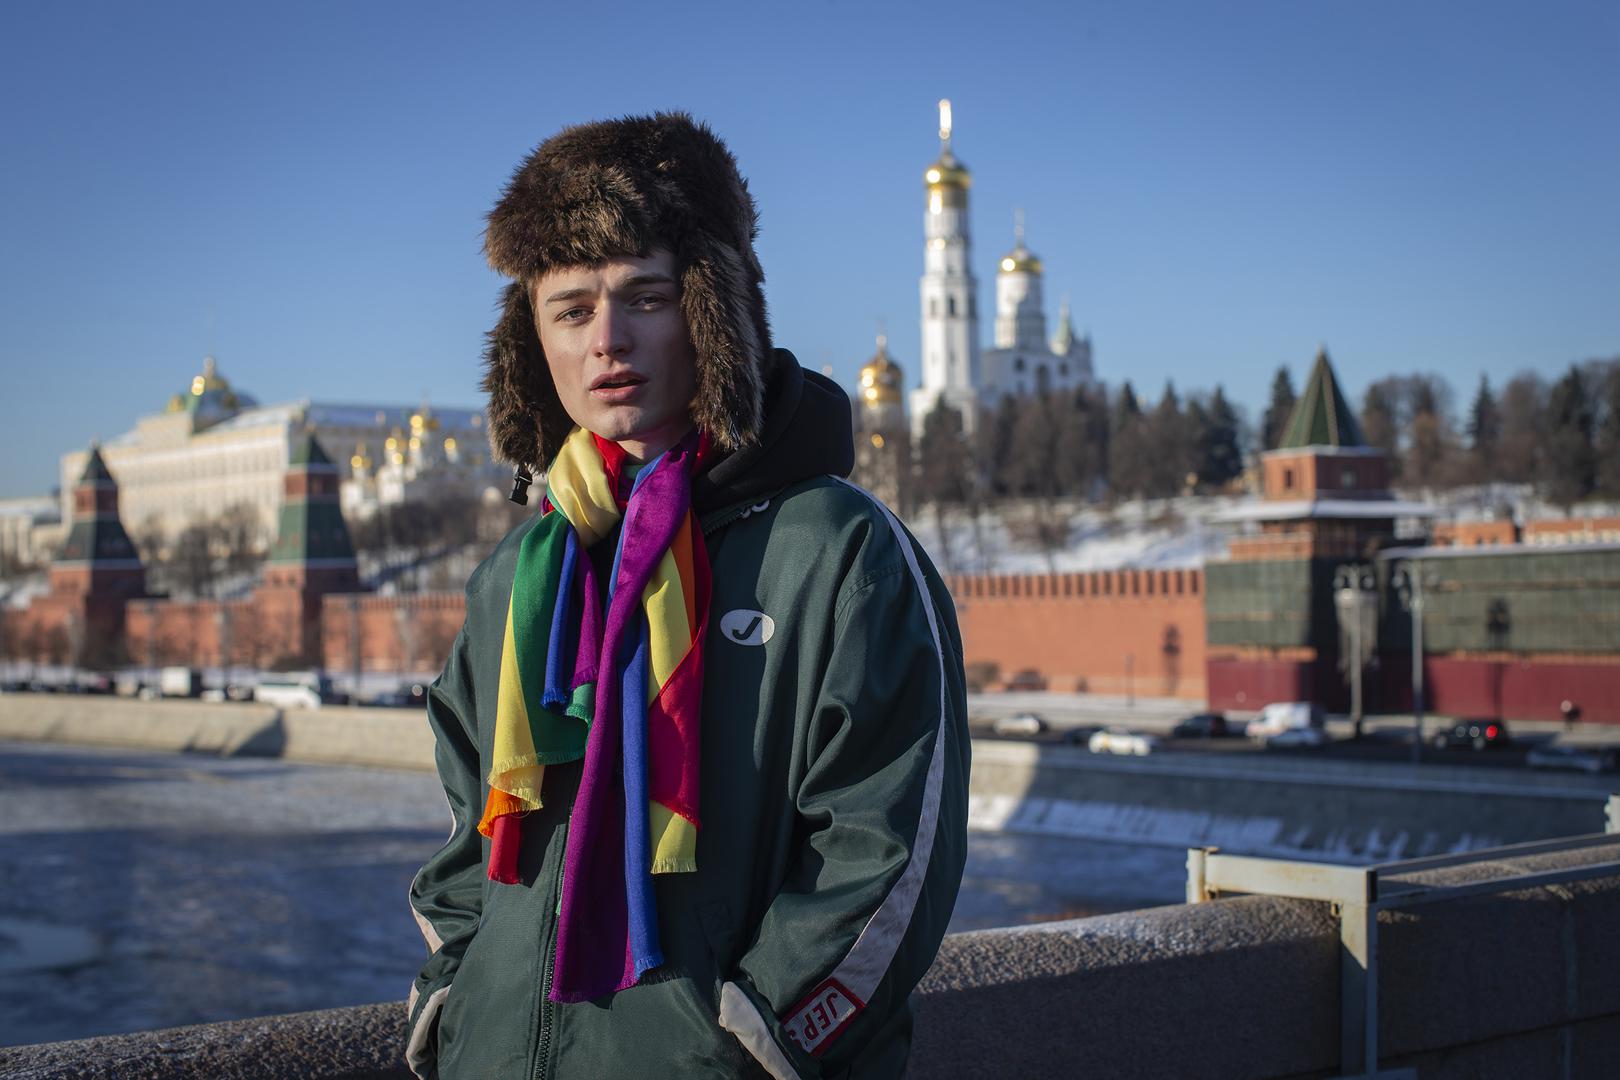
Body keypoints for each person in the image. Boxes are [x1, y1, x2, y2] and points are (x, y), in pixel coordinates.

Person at [407, 113, 969, 1079]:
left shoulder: (836, 551)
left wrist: (758, 1040)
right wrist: (454, 1004)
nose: (608, 340)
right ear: (531, 341)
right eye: (571, 309)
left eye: (648, 297)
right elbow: (469, 832)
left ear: (714, 312)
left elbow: (888, 851)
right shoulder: (519, 575)